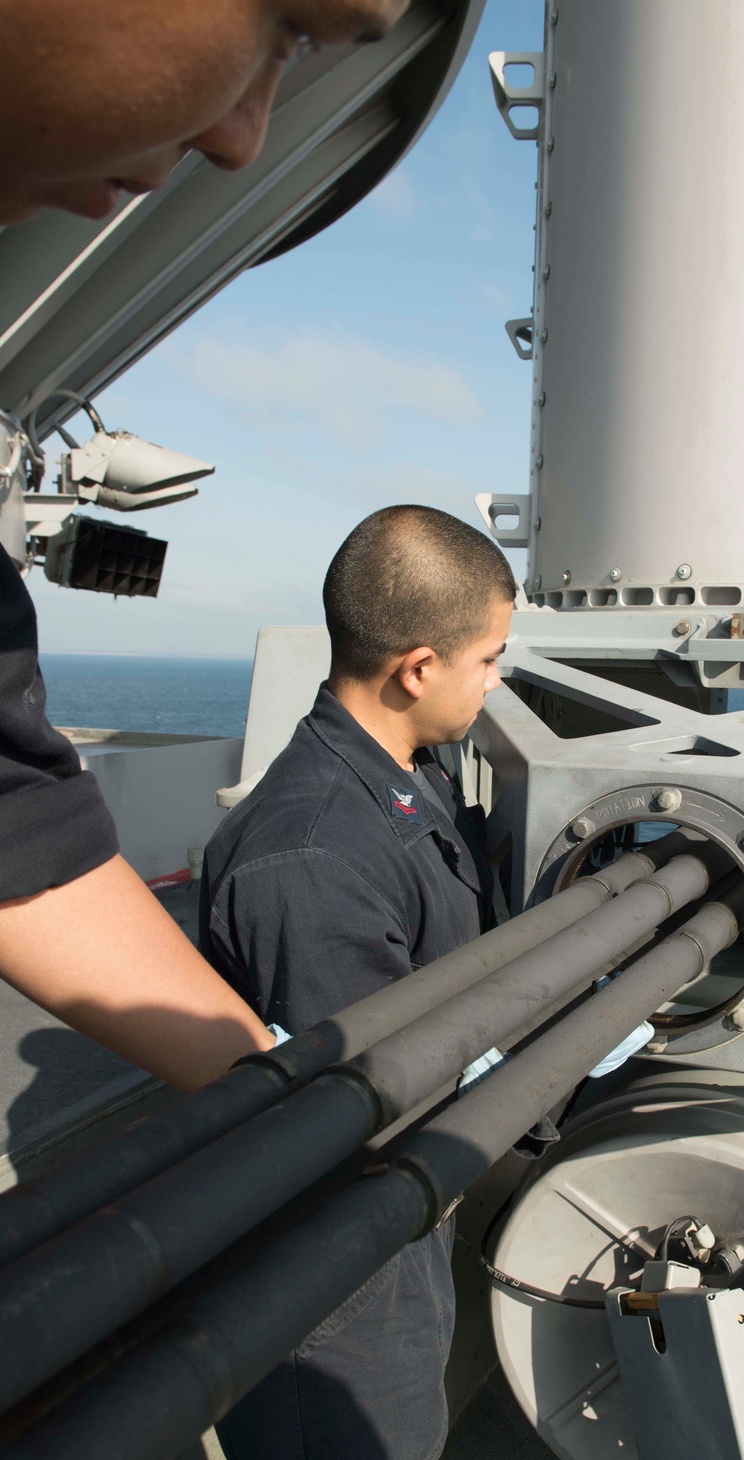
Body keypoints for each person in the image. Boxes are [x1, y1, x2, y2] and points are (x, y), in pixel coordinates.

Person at [0, 0, 410, 1088]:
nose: (243, 138)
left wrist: (277, 1092)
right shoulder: (310, 846)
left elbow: (15, 830)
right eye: (287, 31)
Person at [199, 505, 515, 1460]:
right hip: (329, 1283)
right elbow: (370, 1102)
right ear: (417, 668)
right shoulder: (315, 853)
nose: (496, 683)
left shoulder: (405, 782)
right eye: (489, 660)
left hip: (388, 1243)